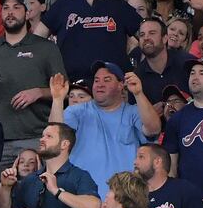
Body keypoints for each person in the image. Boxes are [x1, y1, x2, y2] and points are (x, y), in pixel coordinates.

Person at [0, 0, 65, 167]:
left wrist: (39, 92)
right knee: (1, 193)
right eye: (5, 8)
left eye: (16, 7)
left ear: (27, 13)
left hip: (36, 137)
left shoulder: (46, 48)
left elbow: (64, 89)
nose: (10, 12)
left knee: (36, 192)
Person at [48, 62, 160, 200]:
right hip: (82, 203)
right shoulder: (78, 111)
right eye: (96, 80)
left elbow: (153, 130)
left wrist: (138, 93)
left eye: (107, 80)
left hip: (124, 205)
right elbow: (54, 137)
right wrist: (58, 100)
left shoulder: (133, 112)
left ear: (121, 85)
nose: (100, 84)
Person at [0, 123, 101, 208]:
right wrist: (5, 187)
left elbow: (94, 207)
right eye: (42, 135)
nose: (42, 139)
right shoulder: (31, 180)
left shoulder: (79, 176)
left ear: (64, 144)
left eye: (49, 136)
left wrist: (56, 191)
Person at [34, 0, 142, 81]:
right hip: (72, 87)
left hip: (112, 86)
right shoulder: (64, 5)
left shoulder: (121, 7)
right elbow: (37, 38)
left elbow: (147, 34)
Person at [163, 58, 203, 198]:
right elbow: (171, 168)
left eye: (202, 73)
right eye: (192, 73)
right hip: (191, 201)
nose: (195, 77)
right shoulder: (177, 119)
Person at [134, 18, 193, 104]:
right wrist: (150, 112)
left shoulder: (187, 62)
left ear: (165, 38)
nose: (146, 38)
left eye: (152, 33)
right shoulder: (138, 76)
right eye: (142, 34)